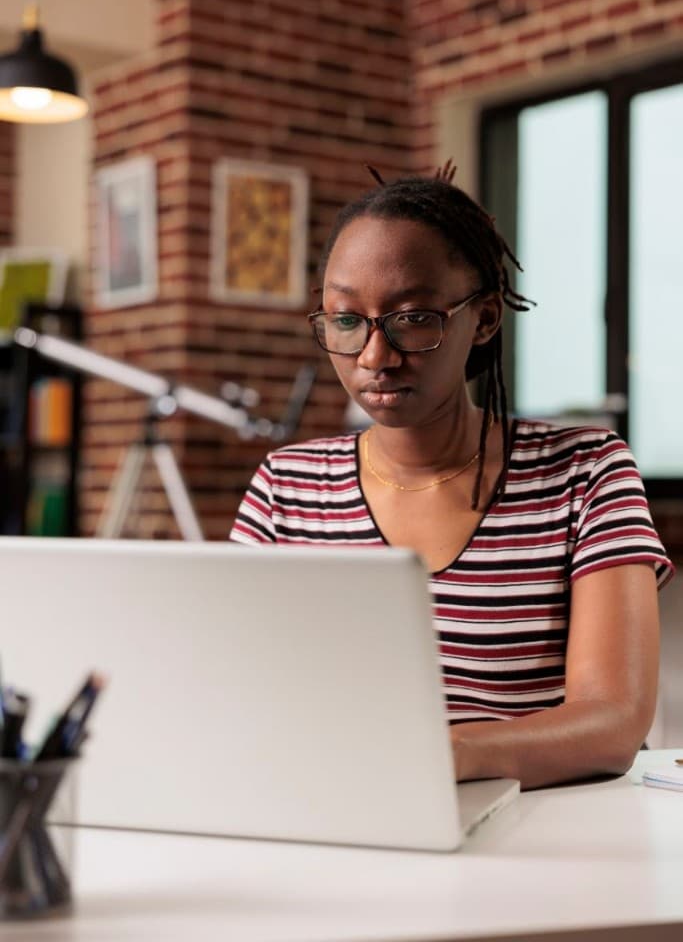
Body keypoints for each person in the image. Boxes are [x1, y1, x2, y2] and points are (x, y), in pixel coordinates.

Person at [230, 164, 673, 790]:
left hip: (543, 830)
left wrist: (437, 758)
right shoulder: (287, 487)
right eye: (346, 320)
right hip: (348, 810)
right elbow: (239, 691)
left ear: (486, 319)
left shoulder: (586, 472)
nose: (374, 358)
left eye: (413, 318)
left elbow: (613, 723)